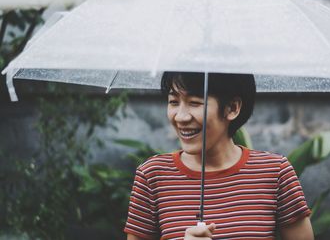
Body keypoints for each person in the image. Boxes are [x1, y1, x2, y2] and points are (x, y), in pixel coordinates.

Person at [125, 72, 314, 240]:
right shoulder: (152, 175)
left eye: (195, 103)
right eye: (174, 102)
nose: (180, 117)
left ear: (232, 108)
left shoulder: (275, 172)